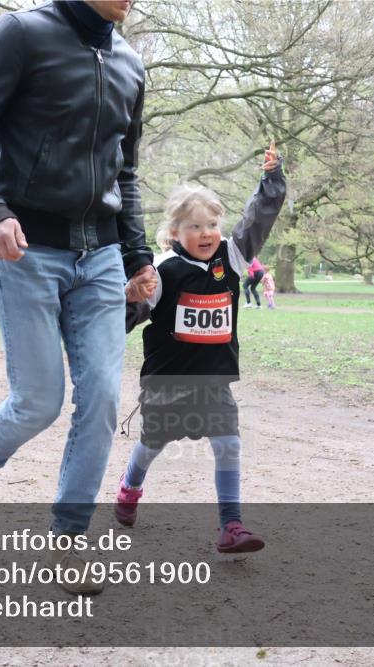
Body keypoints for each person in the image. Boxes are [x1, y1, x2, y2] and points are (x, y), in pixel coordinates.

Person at [0, 0, 154, 593]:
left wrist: (138, 256)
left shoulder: (131, 63)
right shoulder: (20, 34)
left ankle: (67, 541)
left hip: (104, 256)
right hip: (26, 248)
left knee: (104, 400)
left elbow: (125, 172)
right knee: (39, 401)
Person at [115, 142, 285, 553]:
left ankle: (231, 525)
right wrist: (127, 297)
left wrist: (271, 181)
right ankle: (129, 488)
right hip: (167, 381)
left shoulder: (233, 255)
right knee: (152, 444)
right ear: (175, 232)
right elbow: (126, 318)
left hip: (213, 380)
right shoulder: (160, 271)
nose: (206, 233)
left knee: (228, 443)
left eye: (212, 224)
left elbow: (257, 220)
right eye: (195, 227)